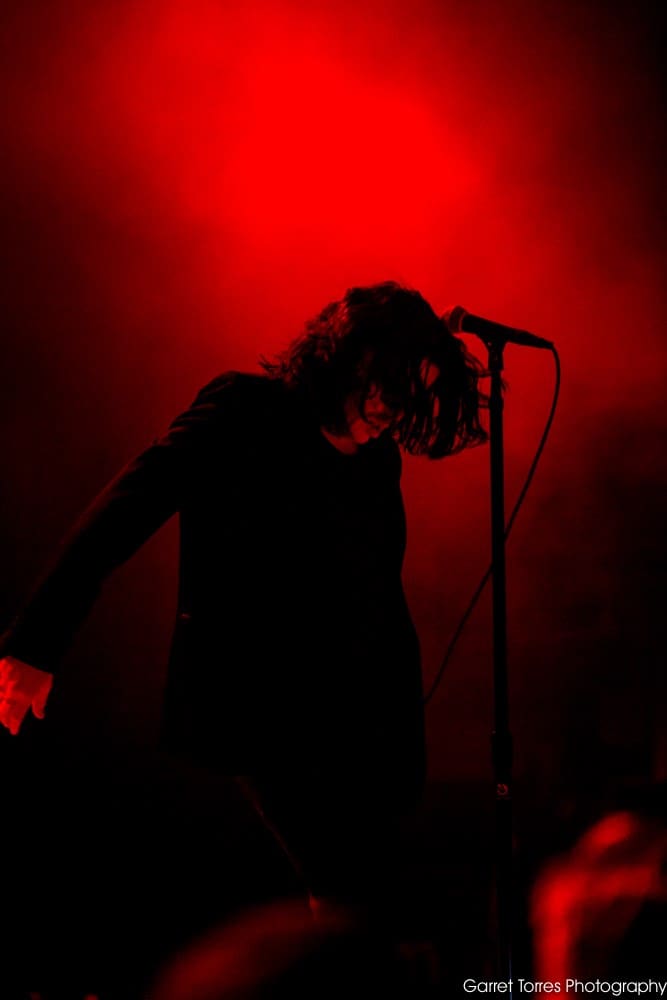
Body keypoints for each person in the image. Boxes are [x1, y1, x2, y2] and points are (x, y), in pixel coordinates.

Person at [0, 280, 488, 955]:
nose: (396, 411)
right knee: (346, 895)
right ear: (355, 359)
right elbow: (125, 510)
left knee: (365, 901)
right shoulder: (245, 410)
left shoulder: (377, 459)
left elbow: (379, 595)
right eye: (395, 387)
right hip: (258, 704)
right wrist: (35, 641)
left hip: (350, 721)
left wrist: (399, 736)